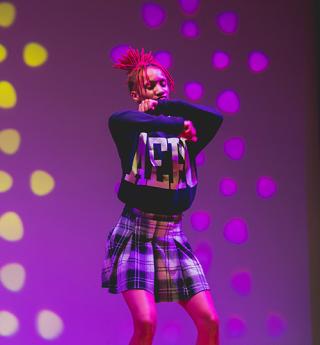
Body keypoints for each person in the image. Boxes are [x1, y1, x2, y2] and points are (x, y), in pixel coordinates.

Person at [102, 48, 223, 345]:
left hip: (173, 236)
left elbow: (215, 118)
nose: (158, 90)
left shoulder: (186, 135)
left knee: (209, 321)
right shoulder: (129, 127)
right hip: (137, 234)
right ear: (135, 93)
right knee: (145, 323)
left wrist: (170, 107)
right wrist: (172, 121)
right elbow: (121, 119)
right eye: (150, 85)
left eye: (163, 84)